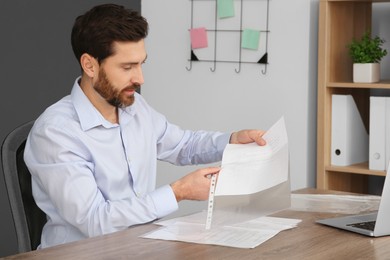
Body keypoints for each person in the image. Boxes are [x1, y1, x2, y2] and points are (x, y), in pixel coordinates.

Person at [24, 3, 266, 248]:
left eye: (141, 64)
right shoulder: (55, 132)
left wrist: (232, 140)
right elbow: (95, 222)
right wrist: (178, 192)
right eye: (127, 67)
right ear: (90, 65)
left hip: (140, 248)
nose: (139, 79)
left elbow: (182, 145)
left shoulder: (134, 107)